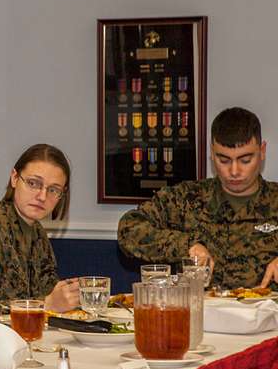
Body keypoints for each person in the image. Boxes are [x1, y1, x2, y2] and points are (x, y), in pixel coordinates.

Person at [119, 107, 278, 288]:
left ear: (262, 151)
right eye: (224, 160)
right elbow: (128, 228)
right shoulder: (186, 199)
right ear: (211, 153)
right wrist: (187, 246)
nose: (234, 171)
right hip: (200, 313)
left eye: (245, 160)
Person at [0, 144, 79, 312]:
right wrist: (45, 305)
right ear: (14, 178)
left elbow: (48, 290)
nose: (42, 196)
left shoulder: (37, 232)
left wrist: (68, 295)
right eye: (33, 183)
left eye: (53, 189)